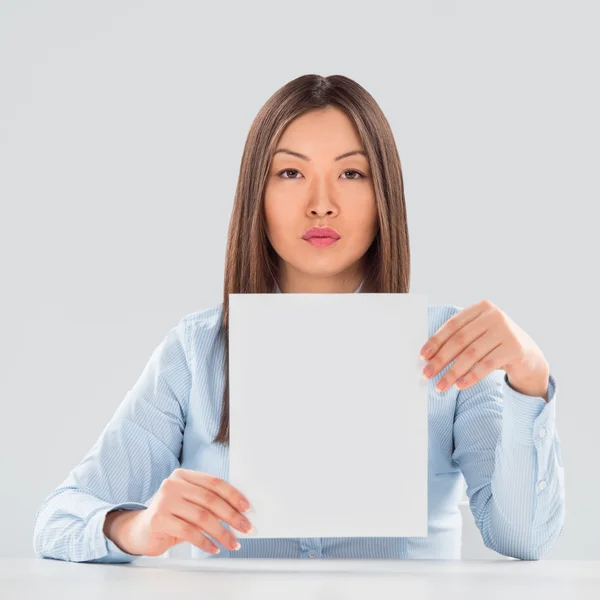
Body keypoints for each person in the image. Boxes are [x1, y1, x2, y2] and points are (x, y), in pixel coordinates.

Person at [32, 74, 564, 563]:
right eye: (290, 172)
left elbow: (523, 537)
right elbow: (59, 519)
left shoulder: (448, 347)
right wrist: (136, 527)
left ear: (385, 199)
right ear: (255, 197)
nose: (321, 204)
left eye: (352, 173)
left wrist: (529, 375)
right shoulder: (198, 351)